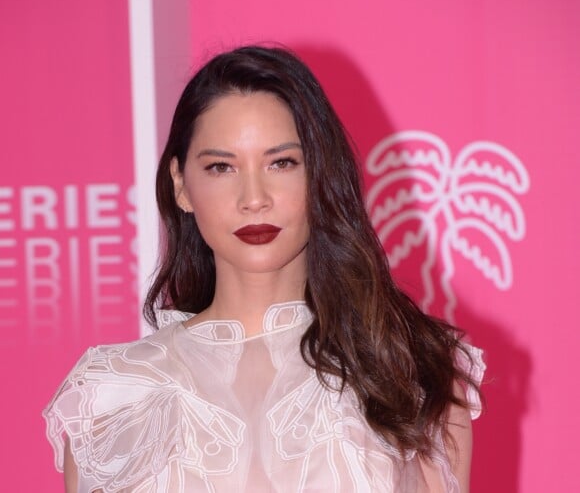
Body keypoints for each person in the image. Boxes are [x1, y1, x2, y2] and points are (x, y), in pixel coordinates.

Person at [44, 45, 484, 492]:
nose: (254, 197)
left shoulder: (410, 370)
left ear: (319, 175)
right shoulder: (114, 395)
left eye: (281, 163)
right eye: (221, 167)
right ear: (181, 186)